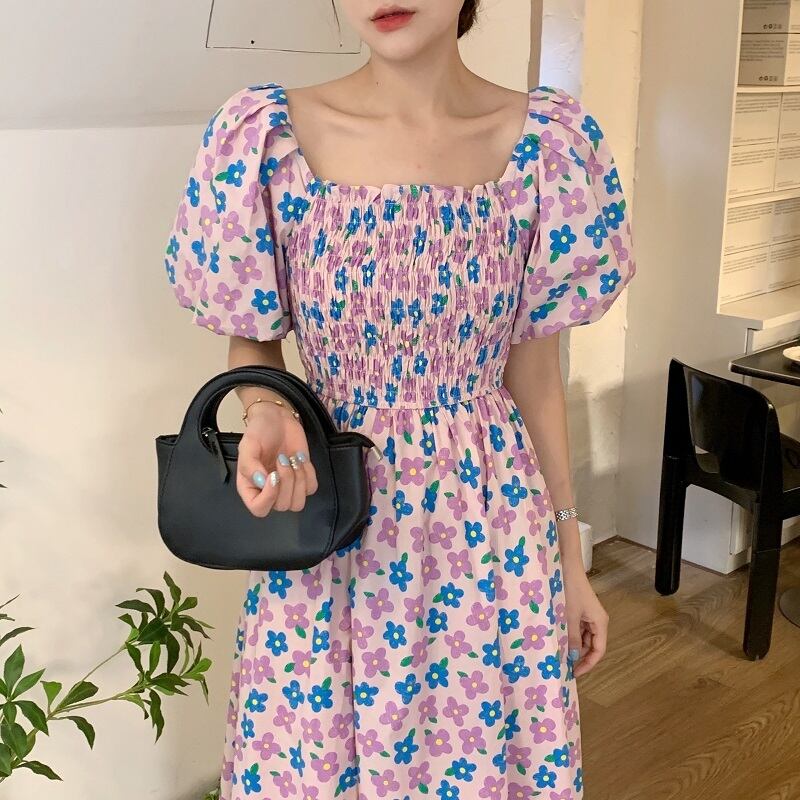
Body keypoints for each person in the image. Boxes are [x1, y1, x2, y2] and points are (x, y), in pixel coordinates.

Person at [163, 1, 636, 797]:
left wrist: (568, 560)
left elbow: (534, 376)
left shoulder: (549, 148)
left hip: (488, 537)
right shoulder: (263, 140)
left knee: (477, 762)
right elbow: (251, 337)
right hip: (330, 526)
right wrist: (266, 409)